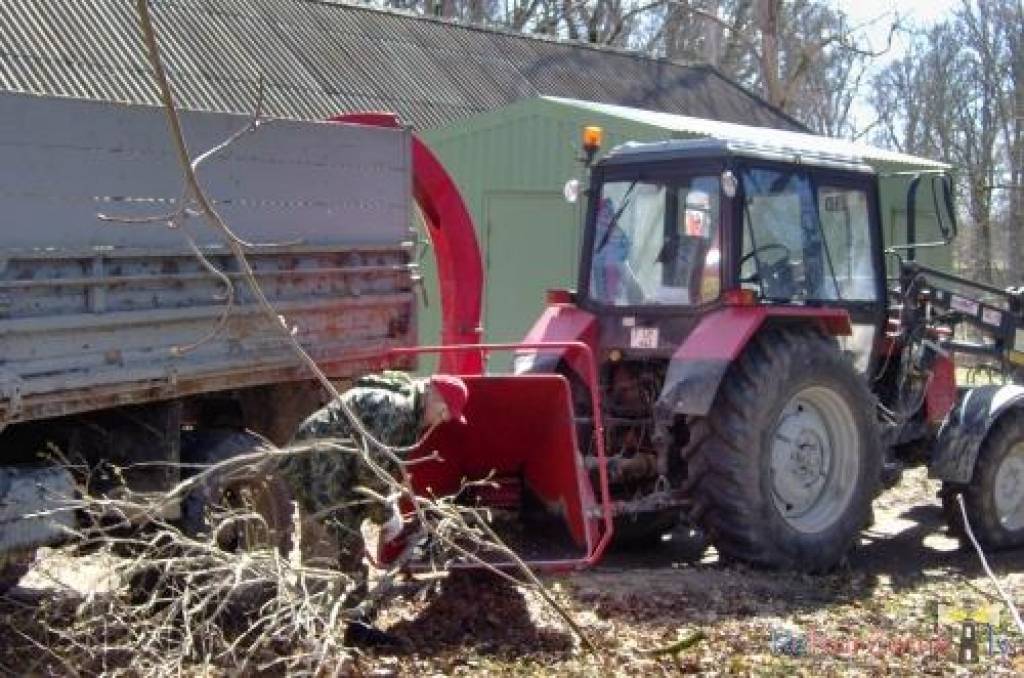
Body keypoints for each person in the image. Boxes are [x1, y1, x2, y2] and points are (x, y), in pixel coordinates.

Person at [277, 371, 468, 645]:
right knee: (324, 548)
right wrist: (387, 515)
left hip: (339, 469)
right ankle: (301, 634)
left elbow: (385, 467)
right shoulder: (397, 409)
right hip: (321, 467)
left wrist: (389, 505)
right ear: (435, 398)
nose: (446, 419)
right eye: (447, 412)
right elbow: (372, 472)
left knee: (349, 549)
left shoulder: (409, 411)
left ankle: (355, 627)